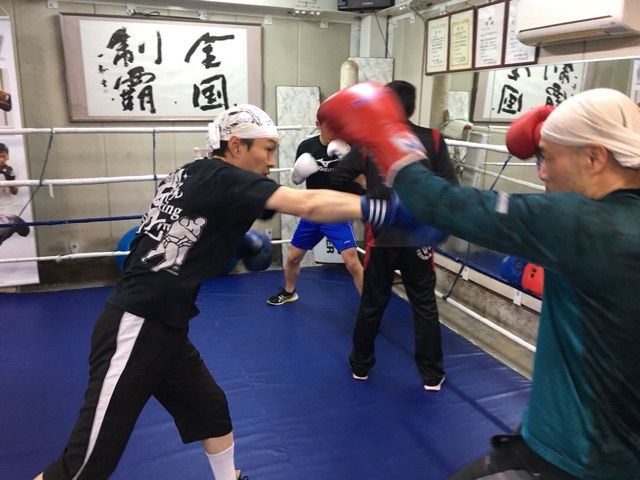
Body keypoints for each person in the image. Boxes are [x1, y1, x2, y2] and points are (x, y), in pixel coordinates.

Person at [34, 104, 382, 480]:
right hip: (136, 324)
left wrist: (231, 240)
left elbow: (186, 228)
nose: (271, 161)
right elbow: (308, 204)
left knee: (210, 409)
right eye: (267, 149)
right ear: (236, 145)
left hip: (166, 326)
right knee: (85, 466)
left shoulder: (189, 173)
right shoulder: (224, 177)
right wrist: (382, 207)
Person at [317, 83, 640, 479]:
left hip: (574, 460)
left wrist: (388, 137)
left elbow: (447, 202)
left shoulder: (585, 223)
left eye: (549, 157)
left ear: (595, 157)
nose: (542, 172)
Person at [329, 80, 457, 391]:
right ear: (412, 107)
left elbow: (338, 176)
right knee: (423, 305)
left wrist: (368, 192)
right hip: (419, 237)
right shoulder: (432, 139)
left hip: (382, 234)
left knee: (373, 303)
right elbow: (450, 187)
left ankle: (360, 365)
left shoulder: (369, 141)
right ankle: (432, 376)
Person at [266, 119, 364, 306]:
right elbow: (296, 180)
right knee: (293, 257)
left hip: (337, 212)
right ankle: (289, 292)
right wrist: (299, 173)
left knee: (352, 262)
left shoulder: (350, 147)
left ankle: (368, 306)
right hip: (313, 212)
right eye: (329, 126)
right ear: (318, 125)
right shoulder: (307, 146)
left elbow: (362, 183)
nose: (334, 131)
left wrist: (349, 161)